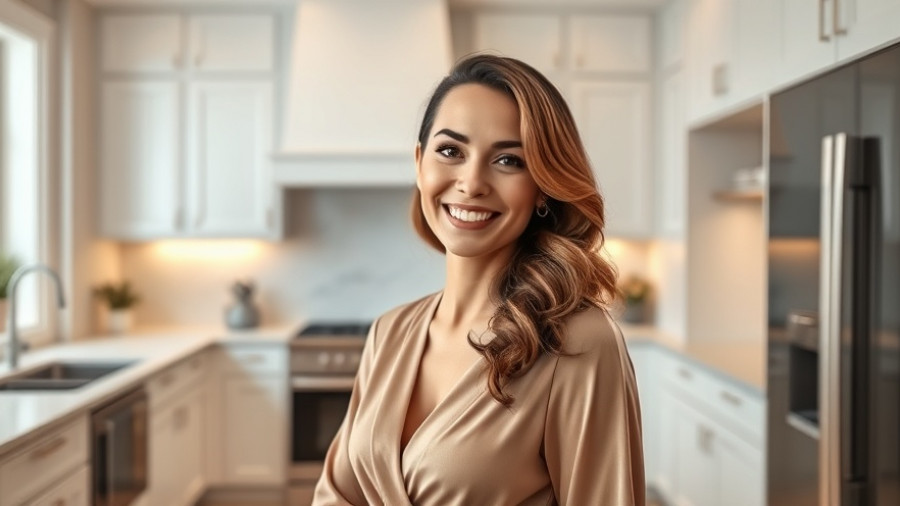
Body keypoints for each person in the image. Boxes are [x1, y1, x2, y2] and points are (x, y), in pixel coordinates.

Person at [313, 54, 645, 506]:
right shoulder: (389, 333)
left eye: (508, 160)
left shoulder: (579, 342)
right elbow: (335, 494)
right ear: (419, 163)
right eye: (450, 151)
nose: (471, 182)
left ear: (542, 186)